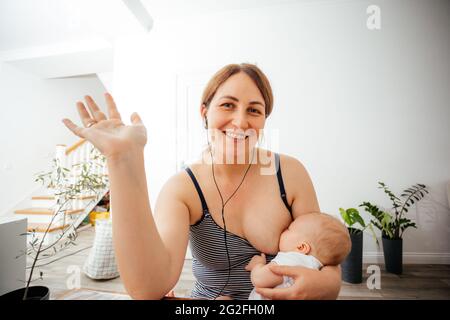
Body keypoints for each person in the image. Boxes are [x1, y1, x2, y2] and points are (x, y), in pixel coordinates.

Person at [62, 63, 343, 300]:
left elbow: (324, 251)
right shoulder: (183, 188)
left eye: (254, 110)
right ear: (204, 111)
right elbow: (149, 287)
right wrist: (124, 161)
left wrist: (328, 285)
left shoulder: (290, 173)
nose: (240, 121)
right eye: (227, 105)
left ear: (264, 120)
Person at [246, 212, 351, 300]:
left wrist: (257, 265)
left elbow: (260, 279)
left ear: (301, 247)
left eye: (289, 229)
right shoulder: (315, 268)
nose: (284, 230)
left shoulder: (292, 260)